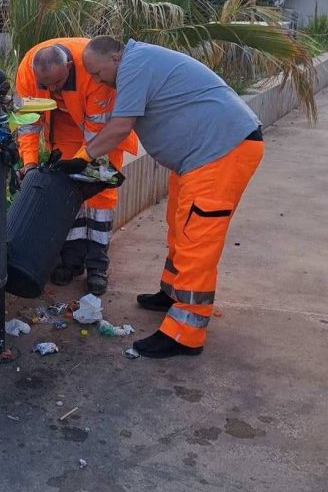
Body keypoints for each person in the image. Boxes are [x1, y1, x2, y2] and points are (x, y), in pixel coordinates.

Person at [72, 35, 264, 359]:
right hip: (202, 157)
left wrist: (81, 157)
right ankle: (172, 293)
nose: (96, 80)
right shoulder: (139, 60)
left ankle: (184, 334)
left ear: (114, 58)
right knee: (180, 226)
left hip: (220, 153)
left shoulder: (133, 65)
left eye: (95, 72)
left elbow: (120, 127)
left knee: (196, 241)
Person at [15, 38, 138, 295]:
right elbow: (27, 124)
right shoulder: (27, 69)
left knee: (99, 198)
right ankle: (71, 261)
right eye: (45, 85)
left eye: (57, 84)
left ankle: (97, 266)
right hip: (62, 131)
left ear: (70, 66)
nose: (51, 89)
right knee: (64, 194)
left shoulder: (95, 72)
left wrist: (82, 161)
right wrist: (29, 164)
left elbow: (97, 133)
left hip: (100, 136)